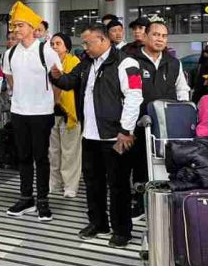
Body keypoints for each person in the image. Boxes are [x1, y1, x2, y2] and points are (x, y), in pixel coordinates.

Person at [50, 24, 143, 248]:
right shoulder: (86, 63)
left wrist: (125, 130)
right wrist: (55, 75)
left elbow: (134, 97)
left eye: (88, 43)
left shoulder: (126, 63)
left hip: (116, 137)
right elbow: (68, 82)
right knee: (93, 183)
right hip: (90, 135)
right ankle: (98, 223)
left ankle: (122, 230)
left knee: (118, 186)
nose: (85, 47)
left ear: (103, 40)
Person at [2, 1, 62, 222]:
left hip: (42, 113)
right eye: (14, 26)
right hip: (19, 112)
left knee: (41, 157)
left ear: (32, 27)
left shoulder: (46, 51)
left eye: (20, 25)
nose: (16, 29)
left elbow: (58, 80)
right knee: (23, 156)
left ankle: (43, 200)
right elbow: (9, 77)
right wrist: (19, 96)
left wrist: (51, 103)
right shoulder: (10, 54)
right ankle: (26, 197)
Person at [129, 21, 190, 219]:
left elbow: (182, 90)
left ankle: (166, 203)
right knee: (139, 163)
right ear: (145, 36)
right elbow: (128, 91)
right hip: (140, 122)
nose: (160, 39)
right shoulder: (132, 61)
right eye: (156, 35)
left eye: (164, 36)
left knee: (168, 163)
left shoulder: (173, 63)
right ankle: (140, 203)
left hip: (168, 124)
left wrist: (182, 115)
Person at [48, 33, 82, 198]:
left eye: (58, 43)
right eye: (52, 44)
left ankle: (70, 186)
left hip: (70, 113)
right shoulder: (46, 63)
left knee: (70, 153)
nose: (54, 46)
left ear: (66, 47)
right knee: (53, 152)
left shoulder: (75, 62)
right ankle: (54, 183)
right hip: (49, 113)